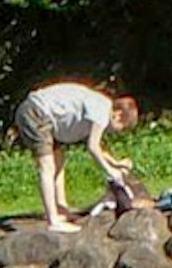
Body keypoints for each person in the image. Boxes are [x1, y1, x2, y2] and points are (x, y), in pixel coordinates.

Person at [18, 79, 143, 230]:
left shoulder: (101, 106)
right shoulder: (102, 110)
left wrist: (115, 163)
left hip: (49, 118)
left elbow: (96, 145)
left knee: (59, 162)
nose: (117, 132)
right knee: (47, 167)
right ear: (118, 115)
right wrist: (112, 173)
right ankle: (53, 221)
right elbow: (93, 147)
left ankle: (62, 209)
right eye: (121, 128)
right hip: (36, 112)